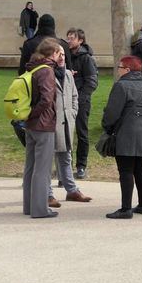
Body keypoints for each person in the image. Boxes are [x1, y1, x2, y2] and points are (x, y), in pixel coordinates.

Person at [101, 56, 142, 219]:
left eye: (119, 67)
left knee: (126, 170)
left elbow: (112, 113)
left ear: (127, 70)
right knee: (140, 168)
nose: (117, 69)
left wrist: (107, 127)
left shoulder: (121, 86)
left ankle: (126, 209)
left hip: (127, 132)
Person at [47, 48, 92, 207]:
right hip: (50, 123)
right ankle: (47, 194)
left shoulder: (67, 74)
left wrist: (72, 112)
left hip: (66, 122)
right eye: (58, 54)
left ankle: (71, 190)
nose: (61, 57)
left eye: (64, 55)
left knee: (66, 157)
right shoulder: (46, 74)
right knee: (47, 159)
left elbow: (74, 96)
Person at [22, 38, 61, 219]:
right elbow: (46, 99)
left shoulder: (32, 67)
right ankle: (40, 209)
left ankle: (29, 206)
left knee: (30, 167)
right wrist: (34, 114)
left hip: (31, 125)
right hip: (43, 124)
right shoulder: (46, 70)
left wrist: (29, 115)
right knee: (42, 169)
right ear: (52, 53)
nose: (60, 56)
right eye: (58, 53)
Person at [67, 28, 98, 180]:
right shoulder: (65, 57)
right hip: (65, 102)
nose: (69, 40)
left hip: (81, 102)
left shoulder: (86, 59)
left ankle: (81, 166)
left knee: (82, 134)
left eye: (72, 38)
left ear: (80, 41)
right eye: (68, 37)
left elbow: (92, 82)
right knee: (65, 135)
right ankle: (66, 166)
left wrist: (79, 100)